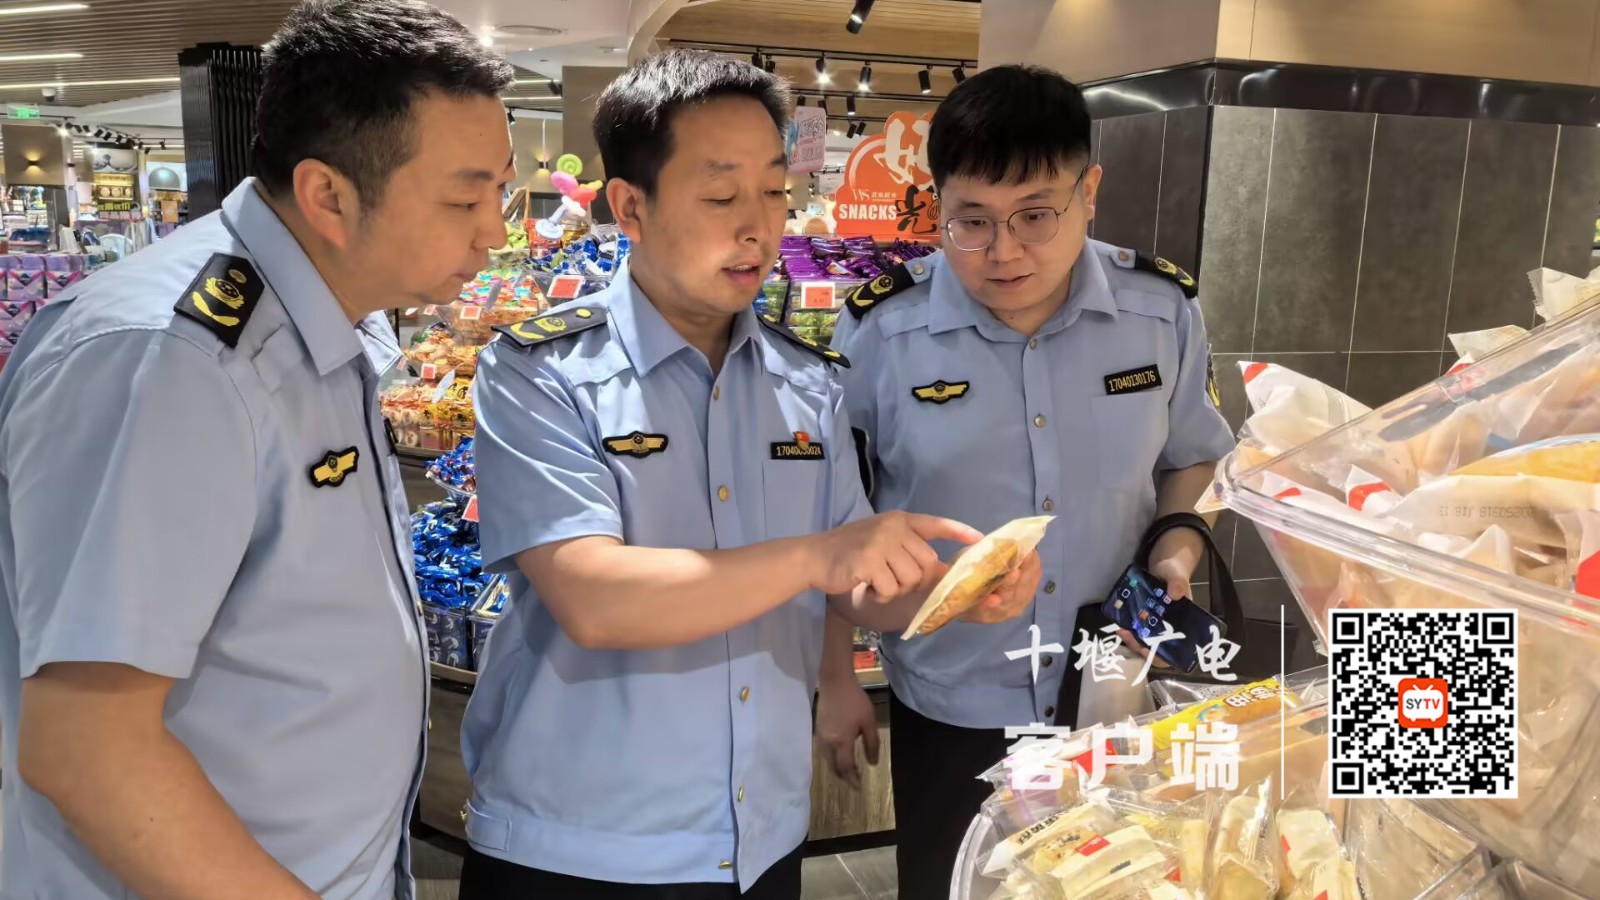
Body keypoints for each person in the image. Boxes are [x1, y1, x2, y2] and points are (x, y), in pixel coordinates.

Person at [457, 50, 1040, 900]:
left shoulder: (807, 382)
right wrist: (818, 557)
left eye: (773, 191)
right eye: (721, 196)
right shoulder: (540, 374)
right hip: (579, 848)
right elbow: (593, 598)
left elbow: (853, 587)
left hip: (759, 842)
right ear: (630, 206)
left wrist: (950, 593)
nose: (759, 227)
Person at [0, 3, 514, 898]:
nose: (495, 232)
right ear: (327, 195)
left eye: (500, 193)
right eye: (464, 200)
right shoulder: (177, 362)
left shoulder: (325, 326)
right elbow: (87, 746)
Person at [822, 64, 1236, 897]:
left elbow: (1196, 455)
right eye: (972, 221)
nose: (1003, 251)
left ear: (1090, 193)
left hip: (1110, 690)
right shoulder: (882, 332)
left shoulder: (1161, 313)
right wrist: (834, 678)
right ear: (937, 206)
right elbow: (832, 524)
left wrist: (1178, 543)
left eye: (1036, 216)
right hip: (953, 699)